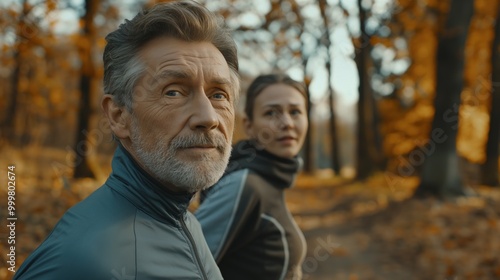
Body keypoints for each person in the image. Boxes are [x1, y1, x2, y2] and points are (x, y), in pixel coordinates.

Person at [14, 1, 239, 279]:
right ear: (119, 116)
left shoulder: (183, 220)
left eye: (219, 95)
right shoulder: (78, 261)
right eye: (173, 92)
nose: (208, 117)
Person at [195, 73, 309, 280]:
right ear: (249, 125)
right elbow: (184, 267)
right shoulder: (243, 185)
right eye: (271, 113)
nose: (287, 123)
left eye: (295, 112)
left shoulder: (269, 179)